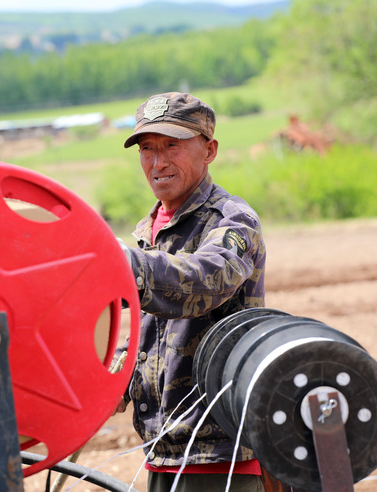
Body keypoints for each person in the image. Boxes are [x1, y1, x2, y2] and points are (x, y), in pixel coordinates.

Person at [117, 92, 267, 492]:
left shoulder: (232, 221)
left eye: (172, 146)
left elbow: (202, 282)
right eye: (147, 149)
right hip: (161, 451)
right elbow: (146, 337)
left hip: (218, 456)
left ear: (209, 150)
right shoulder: (150, 232)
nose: (158, 161)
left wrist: (120, 263)